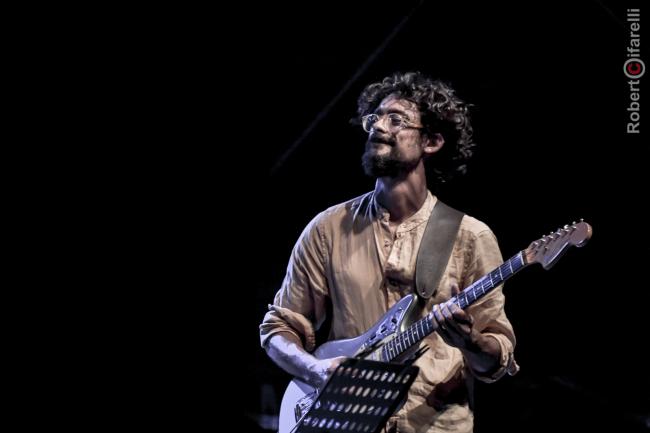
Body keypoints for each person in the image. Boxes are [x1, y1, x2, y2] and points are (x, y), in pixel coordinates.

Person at [259, 71, 519, 433]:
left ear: (431, 142)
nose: (379, 127)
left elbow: (495, 360)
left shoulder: (470, 236)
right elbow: (279, 327)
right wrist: (314, 370)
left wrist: (471, 341)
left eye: (396, 119)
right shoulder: (328, 228)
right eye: (375, 118)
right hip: (346, 423)